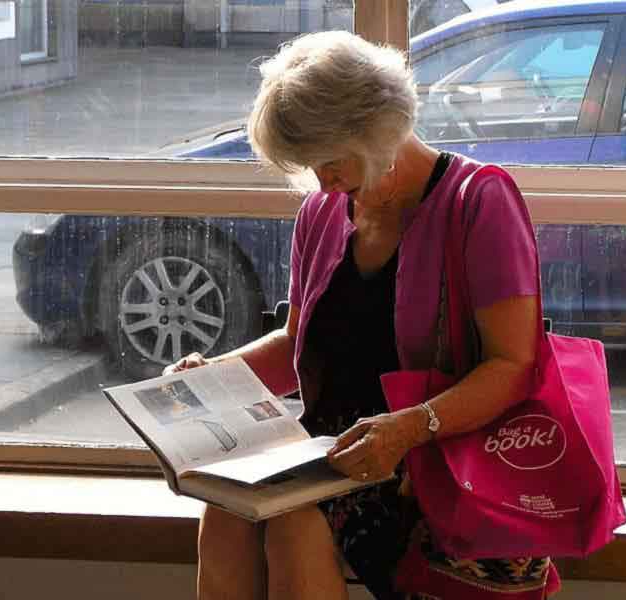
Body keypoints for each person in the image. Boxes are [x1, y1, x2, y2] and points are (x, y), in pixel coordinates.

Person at [163, 31, 558, 600]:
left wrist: (405, 428)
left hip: (431, 462)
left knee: (292, 522)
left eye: (329, 161)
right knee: (225, 509)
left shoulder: (479, 202)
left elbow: (513, 366)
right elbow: (297, 343)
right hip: (335, 453)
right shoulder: (324, 212)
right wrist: (209, 379)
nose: (320, 182)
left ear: (376, 131)